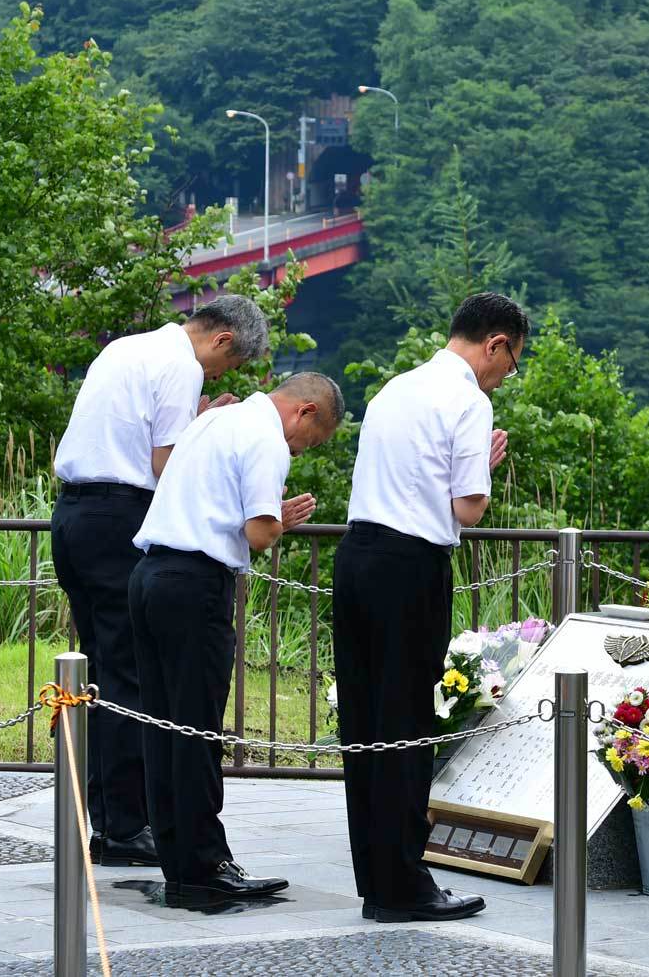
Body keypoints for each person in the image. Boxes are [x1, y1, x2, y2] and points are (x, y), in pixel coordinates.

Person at [49, 295, 268, 866]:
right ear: (221, 340)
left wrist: (197, 422)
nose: (219, 377)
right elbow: (166, 463)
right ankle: (126, 826)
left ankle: (105, 819)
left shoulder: (128, 347)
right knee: (128, 679)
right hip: (121, 516)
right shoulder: (182, 365)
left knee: (98, 669)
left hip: (72, 517)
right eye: (228, 365)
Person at [335, 292, 526, 923]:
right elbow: (467, 507)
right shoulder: (470, 399)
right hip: (408, 566)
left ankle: (376, 876)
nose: (507, 373)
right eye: (512, 360)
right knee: (407, 721)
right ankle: (405, 883)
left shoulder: (396, 389)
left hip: (356, 555)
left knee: (363, 721)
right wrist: (486, 467)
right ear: (495, 343)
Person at [127, 371, 344, 899]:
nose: (300, 448)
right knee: (198, 726)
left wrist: (268, 518)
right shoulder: (267, 438)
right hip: (195, 585)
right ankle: (207, 866)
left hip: (151, 575)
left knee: (160, 724)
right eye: (308, 441)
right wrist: (280, 523)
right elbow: (258, 532)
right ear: (305, 412)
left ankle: (179, 864)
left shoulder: (215, 419)